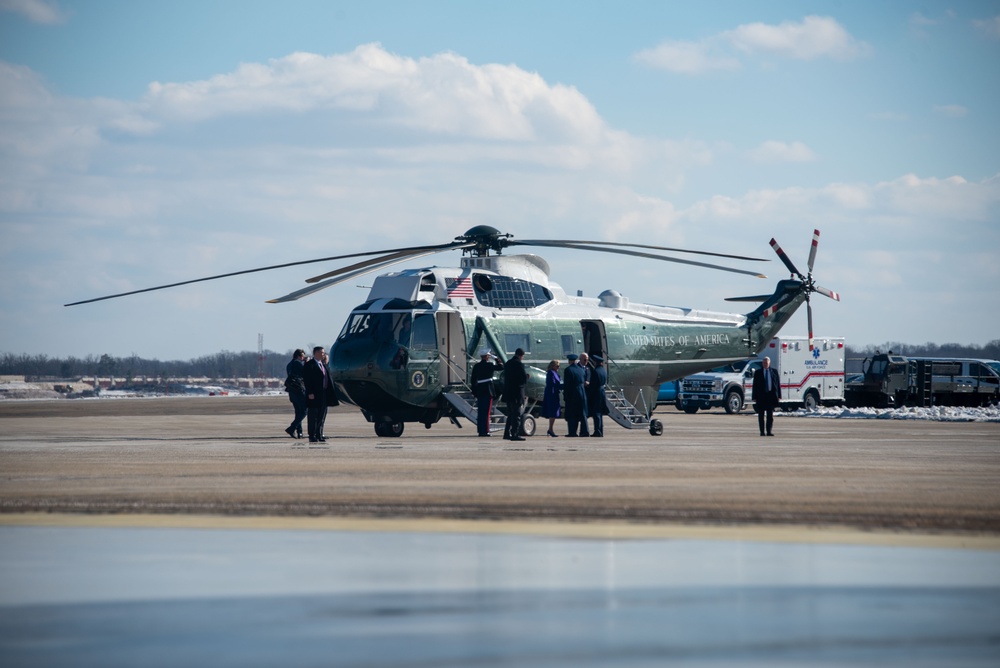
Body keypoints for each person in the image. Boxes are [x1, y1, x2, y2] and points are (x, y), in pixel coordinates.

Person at [470, 348, 504, 437]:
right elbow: (501, 367)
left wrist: (474, 391)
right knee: (486, 412)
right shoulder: (489, 365)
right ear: (487, 356)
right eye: (488, 355)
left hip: (480, 390)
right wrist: (497, 359)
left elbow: (473, 380)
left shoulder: (476, 366)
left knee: (481, 412)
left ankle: (480, 430)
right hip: (488, 390)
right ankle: (485, 431)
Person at [303, 346, 331, 443]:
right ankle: (312, 435)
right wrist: (310, 392)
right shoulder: (309, 365)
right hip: (314, 394)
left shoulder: (323, 365)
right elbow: (307, 380)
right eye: (322, 353)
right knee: (313, 416)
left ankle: (319, 433)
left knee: (322, 415)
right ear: (316, 353)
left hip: (323, 393)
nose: (323, 354)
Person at [501, 348, 528, 441]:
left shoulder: (508, 363)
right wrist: (527, 377)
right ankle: (515, 434)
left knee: (510, 414)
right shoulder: (519, 364)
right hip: (517, 392)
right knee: (516, 415)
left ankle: (506, 433)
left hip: (508, 392)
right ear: (521, 355)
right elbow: (523, 379)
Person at [752, 356, 781, 437]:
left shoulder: (774, 372)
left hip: (771, 396)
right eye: (764, 363)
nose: (765, 364)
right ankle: (762, 432)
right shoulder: (758, 373)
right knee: (761, 415)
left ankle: (769, 431)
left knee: (770, 416)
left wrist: (779, 395)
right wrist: (754, 396)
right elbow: (755, 385)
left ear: (769, 363)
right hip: (761, 396)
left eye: (766, 363)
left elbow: (778, 384)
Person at [562, 353, 589, 437]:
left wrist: (565, 395)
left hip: (573, 393)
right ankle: (585, 432)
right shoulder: (581, 369)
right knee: (582, 413)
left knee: (572, 414)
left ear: (569, 361)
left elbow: (567, 384)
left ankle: (572, 432)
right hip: (582, 392)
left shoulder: (568, 370)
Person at [283, 349, 308, 439]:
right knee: (305, 411)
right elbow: (305, 372)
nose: (303, 358)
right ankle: (292, 427)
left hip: (292, 391)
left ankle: (299, 432)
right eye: (302, 356)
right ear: (298, 356)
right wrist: (307, 363)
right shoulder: (298, 363)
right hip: (300, 390)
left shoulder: (289, 364)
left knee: (298, 412)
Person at [587, 355, 608, 437]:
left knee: (596, 413)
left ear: (595, 362)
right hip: (602, 392)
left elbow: (593, 384)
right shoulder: (603, 370)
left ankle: (597, 431)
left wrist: (589, 393)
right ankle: (600, 430)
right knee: (599, 413)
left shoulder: (595, 371)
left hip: (597, 393)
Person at [541, 360, 562, 437]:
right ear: (553, 366)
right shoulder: (551, 373)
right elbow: (553, 384)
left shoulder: (554, 373)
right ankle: (550, 429)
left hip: (554, 393)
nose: (558, 368)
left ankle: (550, 429)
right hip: (551, 394)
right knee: (553, 411)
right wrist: (562, 386)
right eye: (557, 366)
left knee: (554, 412)